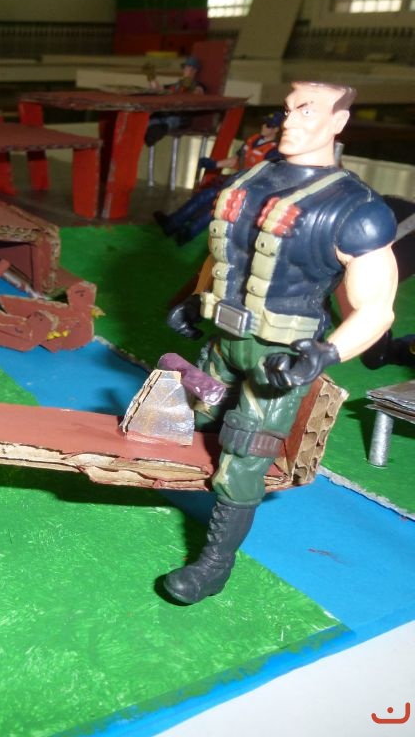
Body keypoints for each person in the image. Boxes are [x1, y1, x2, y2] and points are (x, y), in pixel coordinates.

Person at [163, 81, 398, 605]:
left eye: (307, 111)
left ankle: (214, 565)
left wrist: (325, 353)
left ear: (338, 122)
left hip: (280, 358)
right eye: (288, 109)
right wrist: (195, 299)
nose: (290, 121)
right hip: (222, 339)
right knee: (187, 415)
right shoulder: (252, 180)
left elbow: (377, 308)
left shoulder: (355, 209)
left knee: (245, 453)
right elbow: (223, 253)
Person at [154, 111, 284, 244]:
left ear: (276, 130)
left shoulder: (273, 151)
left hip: (248, 188)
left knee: (218, 206)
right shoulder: (253, 140)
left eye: (269, 125)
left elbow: (268, 176)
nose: (264, 127)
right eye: (264, 123)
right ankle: (172, 223)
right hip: (235, 180)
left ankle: (188, 233)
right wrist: (214, 164)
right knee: (205, 195)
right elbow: (236, 160)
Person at [144, 55, 205, 147]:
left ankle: (159, 130)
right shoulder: (176, 85)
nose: (187, 70)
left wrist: (189, 86)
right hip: (167, 112)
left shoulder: (197, 85)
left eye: (190, 68)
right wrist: (151, 76)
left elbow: (199, 93)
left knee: (171, 120)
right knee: (153, 120)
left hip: (181, 116)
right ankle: (152, 131)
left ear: (195, 70)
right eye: (186, 67)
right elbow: (158, 90)